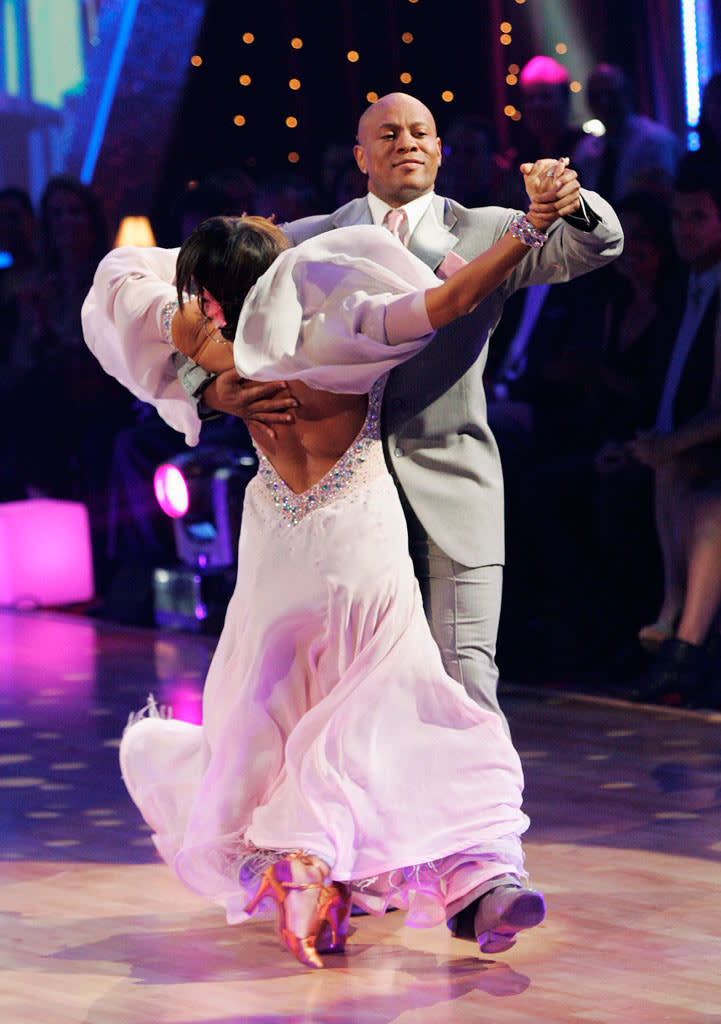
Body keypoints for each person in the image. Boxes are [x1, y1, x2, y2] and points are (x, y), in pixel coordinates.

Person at [173, 91, 623, 946]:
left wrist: (565, 201)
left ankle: (488, 878)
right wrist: (215, 386)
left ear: (441, 150)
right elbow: (196, 305)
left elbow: (597, 244)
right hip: (340, 510)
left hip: (450, 489)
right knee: (331, 695)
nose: (405, 142)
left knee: (462, 682)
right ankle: (347, 867)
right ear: (360, 152)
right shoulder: (299, 240)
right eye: (387, 131)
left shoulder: (494, 223)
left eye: (420, 131)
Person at [82, 174, 561, 968]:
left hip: (276, 542)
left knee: (270, 705)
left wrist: (202, 358)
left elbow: (123, 280)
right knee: (379, 697)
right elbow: (446, 304)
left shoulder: (209, 347)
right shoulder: (336, 331)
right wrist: (528, 230)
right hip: (352, 537)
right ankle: (439, 870)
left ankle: (313, 878)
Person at [626, 155, 721, 706]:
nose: (684, 229)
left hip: (707, 444)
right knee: (671, 477)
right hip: (686, 441)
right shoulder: (682, 288)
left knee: (698, 495)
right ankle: (675, 628)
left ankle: (680, 629)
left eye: (699, 218)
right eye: (679, 218)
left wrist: (666, 445)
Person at [572, 64, 680, 204]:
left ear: (627, 94)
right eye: (596, 96)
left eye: (611, 94)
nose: (604, 102)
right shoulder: (585, 150)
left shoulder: (656, 142)